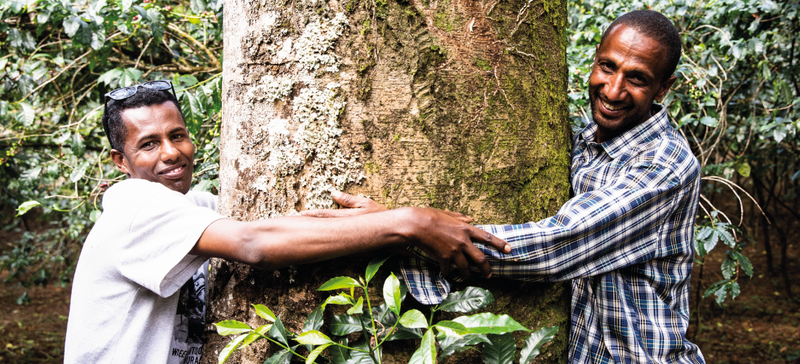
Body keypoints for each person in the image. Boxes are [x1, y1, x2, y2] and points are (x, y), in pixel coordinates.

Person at [310, 10, 705, 363]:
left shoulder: (665, 165)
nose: (613, 89)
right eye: (607, 66)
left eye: (637, 79)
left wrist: (405, 227)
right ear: (595, 59)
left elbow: (556, 246)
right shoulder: (590, 138)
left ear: (663, 88)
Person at [63, 83, 511, 364]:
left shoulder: (192, 206)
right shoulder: (136, 205)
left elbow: (284, 226)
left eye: (177, 135)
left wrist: (376, 218)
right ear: (120, 161)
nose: (171, 152)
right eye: (149, 144)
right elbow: (254, 243)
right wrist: (409, 223)